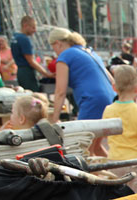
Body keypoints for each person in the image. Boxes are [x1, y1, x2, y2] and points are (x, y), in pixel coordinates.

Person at [48, 27, 116, 155]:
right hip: (109, 98)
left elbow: (60, 92)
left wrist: (55, 120)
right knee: (95, 147)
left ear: (58, 43)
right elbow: (111, 80)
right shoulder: (89, 52)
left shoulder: (65, 55)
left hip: (93, 100)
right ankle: (117, 172)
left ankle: (102, 173)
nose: (55, 52)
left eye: (53, 47)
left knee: (82, 148)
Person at [101, 65, 137, 193]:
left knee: (115, 198)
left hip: (114, 162)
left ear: (114, 88)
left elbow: (105, 134)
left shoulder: (108, 110)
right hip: (135, 162)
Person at [11, 16, 53, 91]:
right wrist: (46, 74)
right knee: (33, 94)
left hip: (20, 71)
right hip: (27, 72)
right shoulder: (24, 39)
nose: (35, 30)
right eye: (33, 27)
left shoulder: (14, 37)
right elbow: (31, 61)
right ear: (25, 25)